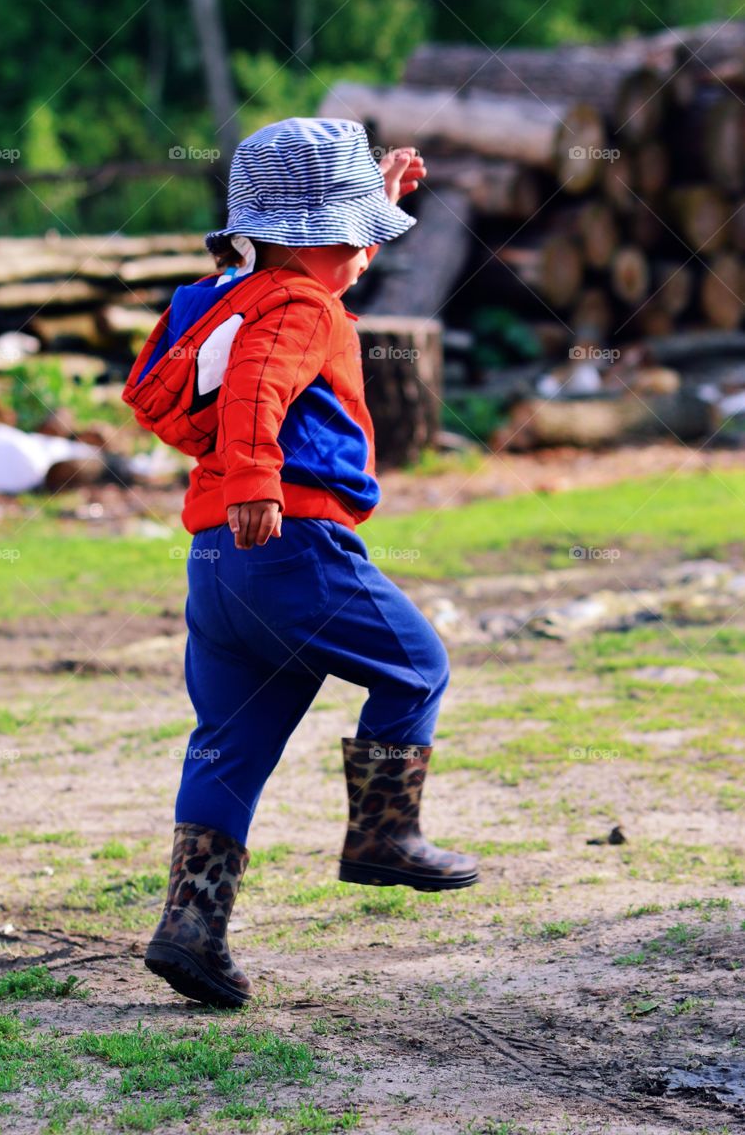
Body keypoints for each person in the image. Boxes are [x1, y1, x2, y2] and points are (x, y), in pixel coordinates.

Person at [123, 118, 478, 1009]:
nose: (368, 253)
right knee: (417, 666)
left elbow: (250, 347)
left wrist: (374, 199)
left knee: (229, 742)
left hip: (219, 567)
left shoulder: (228, 300)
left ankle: (191, 928)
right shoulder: (305, 308)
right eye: (359, 232)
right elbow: (260, 389)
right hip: (292, 544)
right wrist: (256, 476)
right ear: (322, 235)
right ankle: (382, 836)